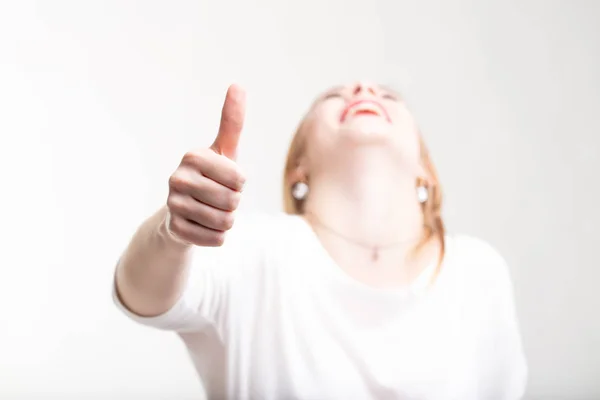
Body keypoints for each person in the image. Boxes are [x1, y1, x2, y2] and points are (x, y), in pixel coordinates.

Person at [113, 82, 528, 399]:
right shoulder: (249, 248)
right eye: (334, 96)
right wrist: (173, 230)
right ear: (299, 168)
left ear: (426, 172)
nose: (363, 90)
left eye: (387, 94)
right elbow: (143, 297)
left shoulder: (477, 272)